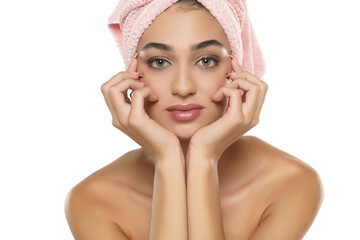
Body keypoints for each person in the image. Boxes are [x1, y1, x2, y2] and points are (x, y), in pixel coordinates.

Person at [64, 0, 324, 239]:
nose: (183, 87)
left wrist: (203, 158)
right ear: (132, 75)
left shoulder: (290, 183)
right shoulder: (93, 200)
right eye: (159, 62)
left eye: (206, 60)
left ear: (236, 71)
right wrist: (168, 160)